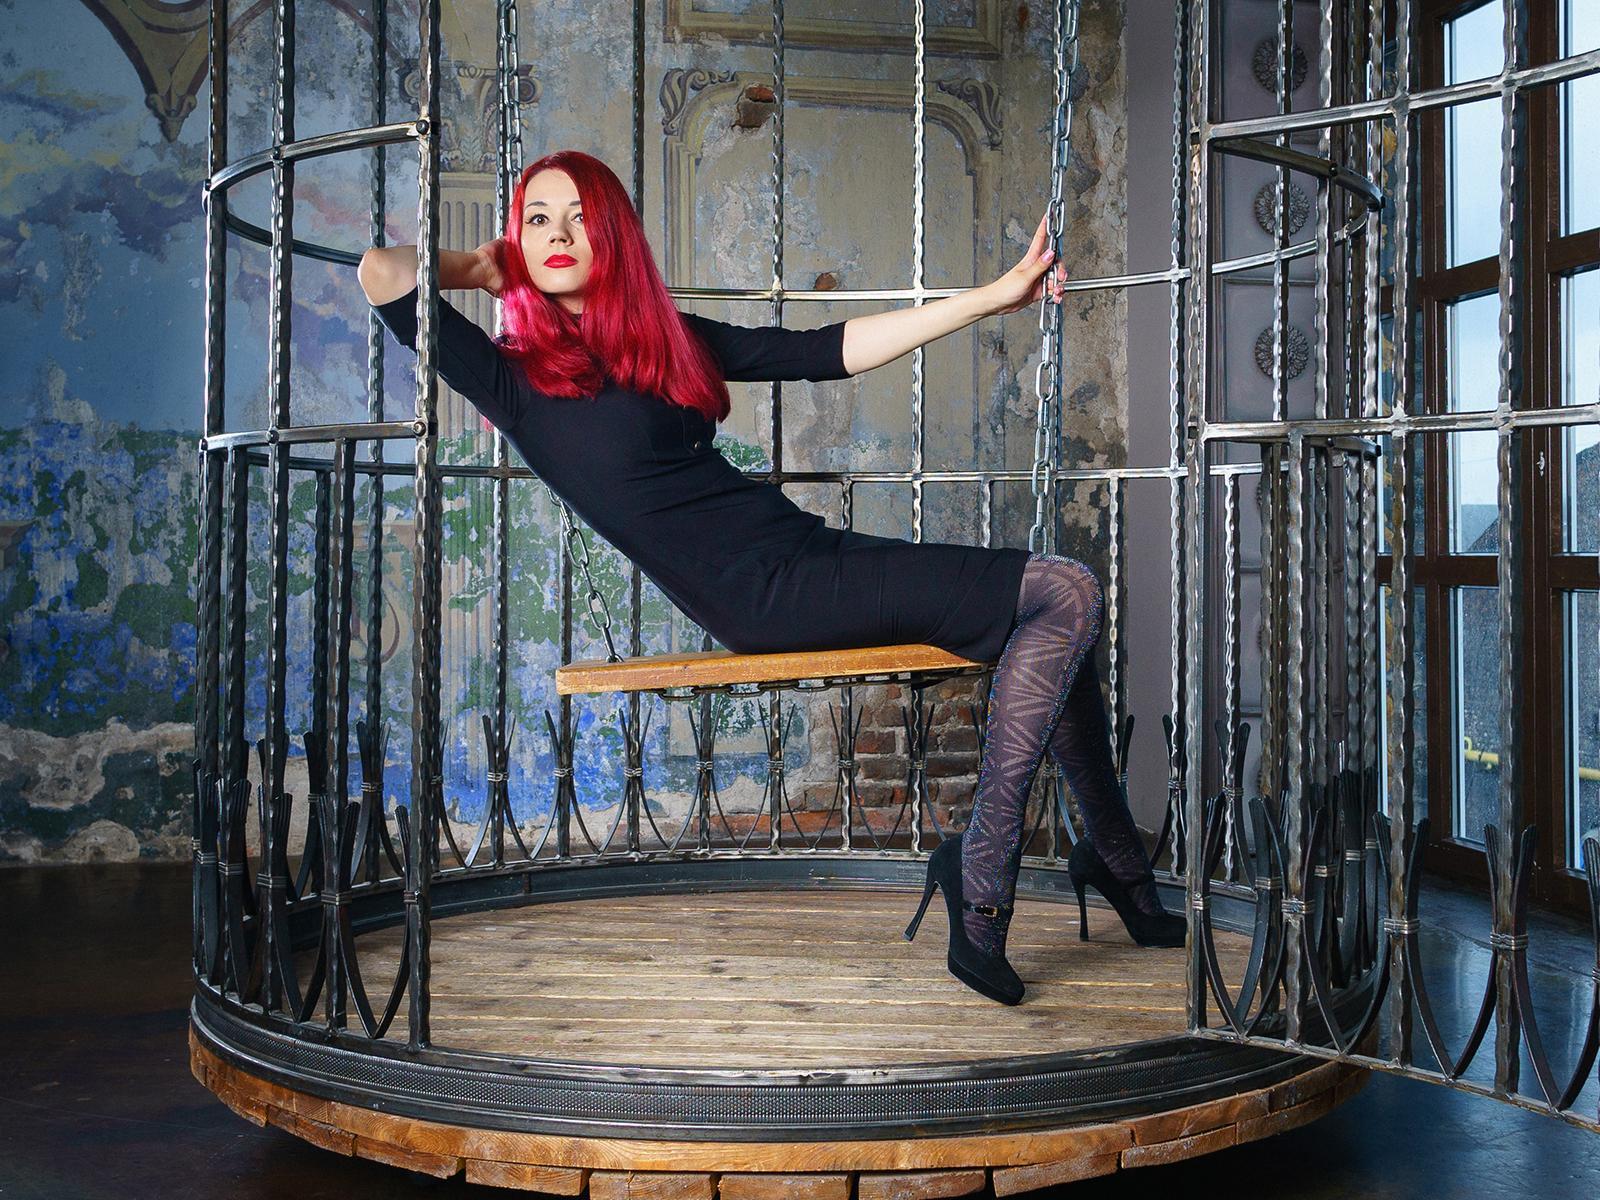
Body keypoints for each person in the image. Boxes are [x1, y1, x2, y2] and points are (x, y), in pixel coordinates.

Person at [358, 150, 1182, 1007]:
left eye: (580, 217)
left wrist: (991, 297)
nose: (558, 235)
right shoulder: (511, 377)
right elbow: (381, 273)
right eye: (538, 219)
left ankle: (1114, 858)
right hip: (763, 599)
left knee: (1053, 617)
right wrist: (479, 266)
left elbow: (828, 351)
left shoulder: (664, 340)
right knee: (1066, 591)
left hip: (807, 553)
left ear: (614, 236)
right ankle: (985, 871)